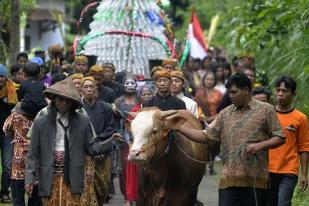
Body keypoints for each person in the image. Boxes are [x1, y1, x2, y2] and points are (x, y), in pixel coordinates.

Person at [176, 73, 285, 206]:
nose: (230, 96)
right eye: (229, 92)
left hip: (256, 179)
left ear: (246, 90)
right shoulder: (225, 113)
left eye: (234, 92)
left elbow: (280, 137)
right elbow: (206, 135)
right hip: (228, 179)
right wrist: (179, 128)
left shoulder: (266, 110)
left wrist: (260, 145)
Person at [24, 79, 121, 205]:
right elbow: (33, 153)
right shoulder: (41, 122)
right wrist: (29, 179)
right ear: (54, 99)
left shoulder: (82, 121)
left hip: (73, 174)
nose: (64, 103)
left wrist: (110, 141)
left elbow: (90, 148)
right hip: (49, 175)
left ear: (73, 103)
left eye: (68, 100)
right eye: (61, 99)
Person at [268, 76, 309, 206]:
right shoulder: (267, 114)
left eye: (285, 91)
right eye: (278, 90)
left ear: (293, 94)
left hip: (289, 171)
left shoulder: (300, 118)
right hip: (267, 169)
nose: (280, 94)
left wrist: (304, 175)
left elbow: (304, 147)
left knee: (283, 203)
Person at [80, 76, 116, 206]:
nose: (89, 89)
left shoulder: (105, 107)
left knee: (102, 187)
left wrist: (98, 143)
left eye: (91, 86)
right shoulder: (78, 108)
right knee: (86, 189)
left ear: (96, 89)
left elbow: (110, 128)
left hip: (102, 152)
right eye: (86, 87)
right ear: (81, 90)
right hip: (83, 154)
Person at [3, 103, 42, 206]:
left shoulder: (16, 115)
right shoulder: (42, 115)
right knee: (36, 201)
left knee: (17, 200)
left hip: (18, 163)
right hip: (36, 163)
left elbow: (6, 128)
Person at [125, 84, 155, 206]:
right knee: (135, 174)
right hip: (136, 145)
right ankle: (132, 197)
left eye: (149, 94)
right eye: (144, 94)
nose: (147, 96)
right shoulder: (135, 110)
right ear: (140, 96)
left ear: (153, 95)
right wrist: (130, 143)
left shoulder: (157, 110)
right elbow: (127, 128)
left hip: (152, 147)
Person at [0, 64, 18, 203]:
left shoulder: (13, 91)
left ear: (6, 78)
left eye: (2, 76)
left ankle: (5, 192)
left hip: (7, 134)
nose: (0, 79)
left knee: (7, 165)